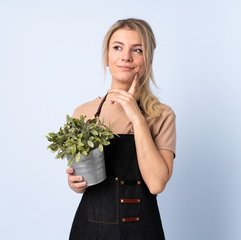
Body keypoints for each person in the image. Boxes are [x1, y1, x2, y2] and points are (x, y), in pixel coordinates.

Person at [65, 18, 176, 240]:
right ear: (107, 57)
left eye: (137, 50)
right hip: (90, 230)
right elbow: (81, 178)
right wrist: (75, 183)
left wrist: (137, 117)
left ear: (148, 60)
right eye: (117, 47)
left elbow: (156, 184)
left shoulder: (162, 115)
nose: (125, 56)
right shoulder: (83, 113)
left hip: (141, 231)